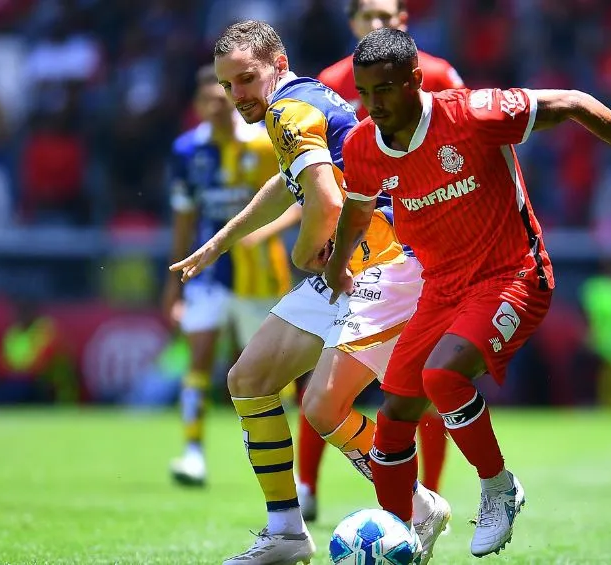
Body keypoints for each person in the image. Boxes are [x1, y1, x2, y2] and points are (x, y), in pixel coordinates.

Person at [324, 28, 611, 558]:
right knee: (394, 418)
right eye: (365, 93)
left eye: (384, 90)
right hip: (441, 288)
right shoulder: (362, 146)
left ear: (415, 81)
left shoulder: (473, 114)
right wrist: (337, 267)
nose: (373, 105)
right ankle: (403, 534)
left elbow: (574, 102)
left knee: (442, 376)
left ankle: (498, 488)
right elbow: (357, 210)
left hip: (513, 275)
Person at [169, 21, 450, 565]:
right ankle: (285, 534)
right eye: (228, 86)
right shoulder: (306, 98)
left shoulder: (286, 109)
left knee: (322, 406)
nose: (237, 96)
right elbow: (288, 180)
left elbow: (320, 197)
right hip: (353, 261)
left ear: (278, 62)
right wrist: (221, 242)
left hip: (386, 265)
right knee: (249, 379)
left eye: (246, 79)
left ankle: (416, 503)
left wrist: (302, 255)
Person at [294, 0, 465, 522]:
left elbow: (465, 148)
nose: (376, 24)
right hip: (353, 252)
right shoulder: (328, 82)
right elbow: (320, 176)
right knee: (319, 383)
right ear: (351, 24)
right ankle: (307, 487)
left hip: (420, 256)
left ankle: (424, 494)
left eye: (385, 14)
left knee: (420, 386)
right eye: (367, 16)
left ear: (402, 20)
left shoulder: (436, 73)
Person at [163, 65, 300, 486]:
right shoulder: (187, 151)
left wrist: (265, 233)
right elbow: (184, 217)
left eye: (222, 101)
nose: (216, 109)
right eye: (207, 102)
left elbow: (298, 197)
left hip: (259, 274)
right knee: (200, 355)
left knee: (268, 372)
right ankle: (192, 453)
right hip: (207, 272)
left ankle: (288, 464)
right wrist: (173, 285)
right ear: (197, 106)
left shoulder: (263, 144)